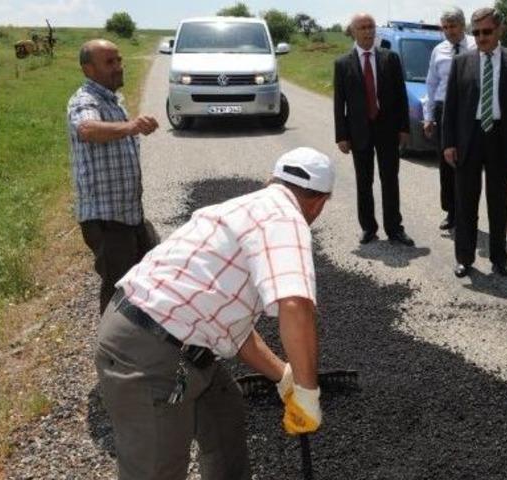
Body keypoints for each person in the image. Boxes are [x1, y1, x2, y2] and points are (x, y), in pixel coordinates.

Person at [95, 147, 332, 479]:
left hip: (166, 332)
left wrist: (285, 375)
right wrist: (307, 394)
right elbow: (296, 306)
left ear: (271, 180)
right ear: (320, 202)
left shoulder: (242, 208)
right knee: (155, 470)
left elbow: (230, 324)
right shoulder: (287, 218)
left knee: (224, 415)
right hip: (148, 351)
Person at [67, 39, 159, 314]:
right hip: (106, 220)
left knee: (151, 270)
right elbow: (87, 129)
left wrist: (129, 125)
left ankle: (140, 342)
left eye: (119, 60)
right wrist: (131, 126)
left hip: (129, 215)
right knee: (118, 288)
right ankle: (109, 353)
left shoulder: (113, 99)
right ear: (88, 69)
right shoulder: (85, 100)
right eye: (109, 62)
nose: (118, 67)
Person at [442, 7, 507, 278]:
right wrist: (448, 142)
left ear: (500, 30)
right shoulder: (462, 62)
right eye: (477, 32)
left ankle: (499, 258)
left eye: (487, 31)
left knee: (498, 202)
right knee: (465, 202)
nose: (481, 37)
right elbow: (451, 106)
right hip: (468, 139)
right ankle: (464, 258)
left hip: (501, 139)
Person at [333, 13, 415, 247]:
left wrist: (404, 127)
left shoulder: (390, 59)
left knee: (390, 179)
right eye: (362, 28)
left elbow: (401, 96)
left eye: (371, 27)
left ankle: (394, 229)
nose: (368, 32)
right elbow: (340, 103)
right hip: (359, 131)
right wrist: (341, 135)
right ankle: (368, 228)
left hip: (387, 130)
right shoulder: (342, 64)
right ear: (353, 31)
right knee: (364, 181)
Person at [424, 7, 476, 231]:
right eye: (444, 27)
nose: (448, 31)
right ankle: (451, 211)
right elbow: (431, 84)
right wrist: (428, 117)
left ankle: (467, 212)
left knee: (467, 163)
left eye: (452, 26)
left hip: (469, 111)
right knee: (447, 165)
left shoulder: (476, 45)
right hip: (444, 110)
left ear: (463, 25)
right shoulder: (439, 50)